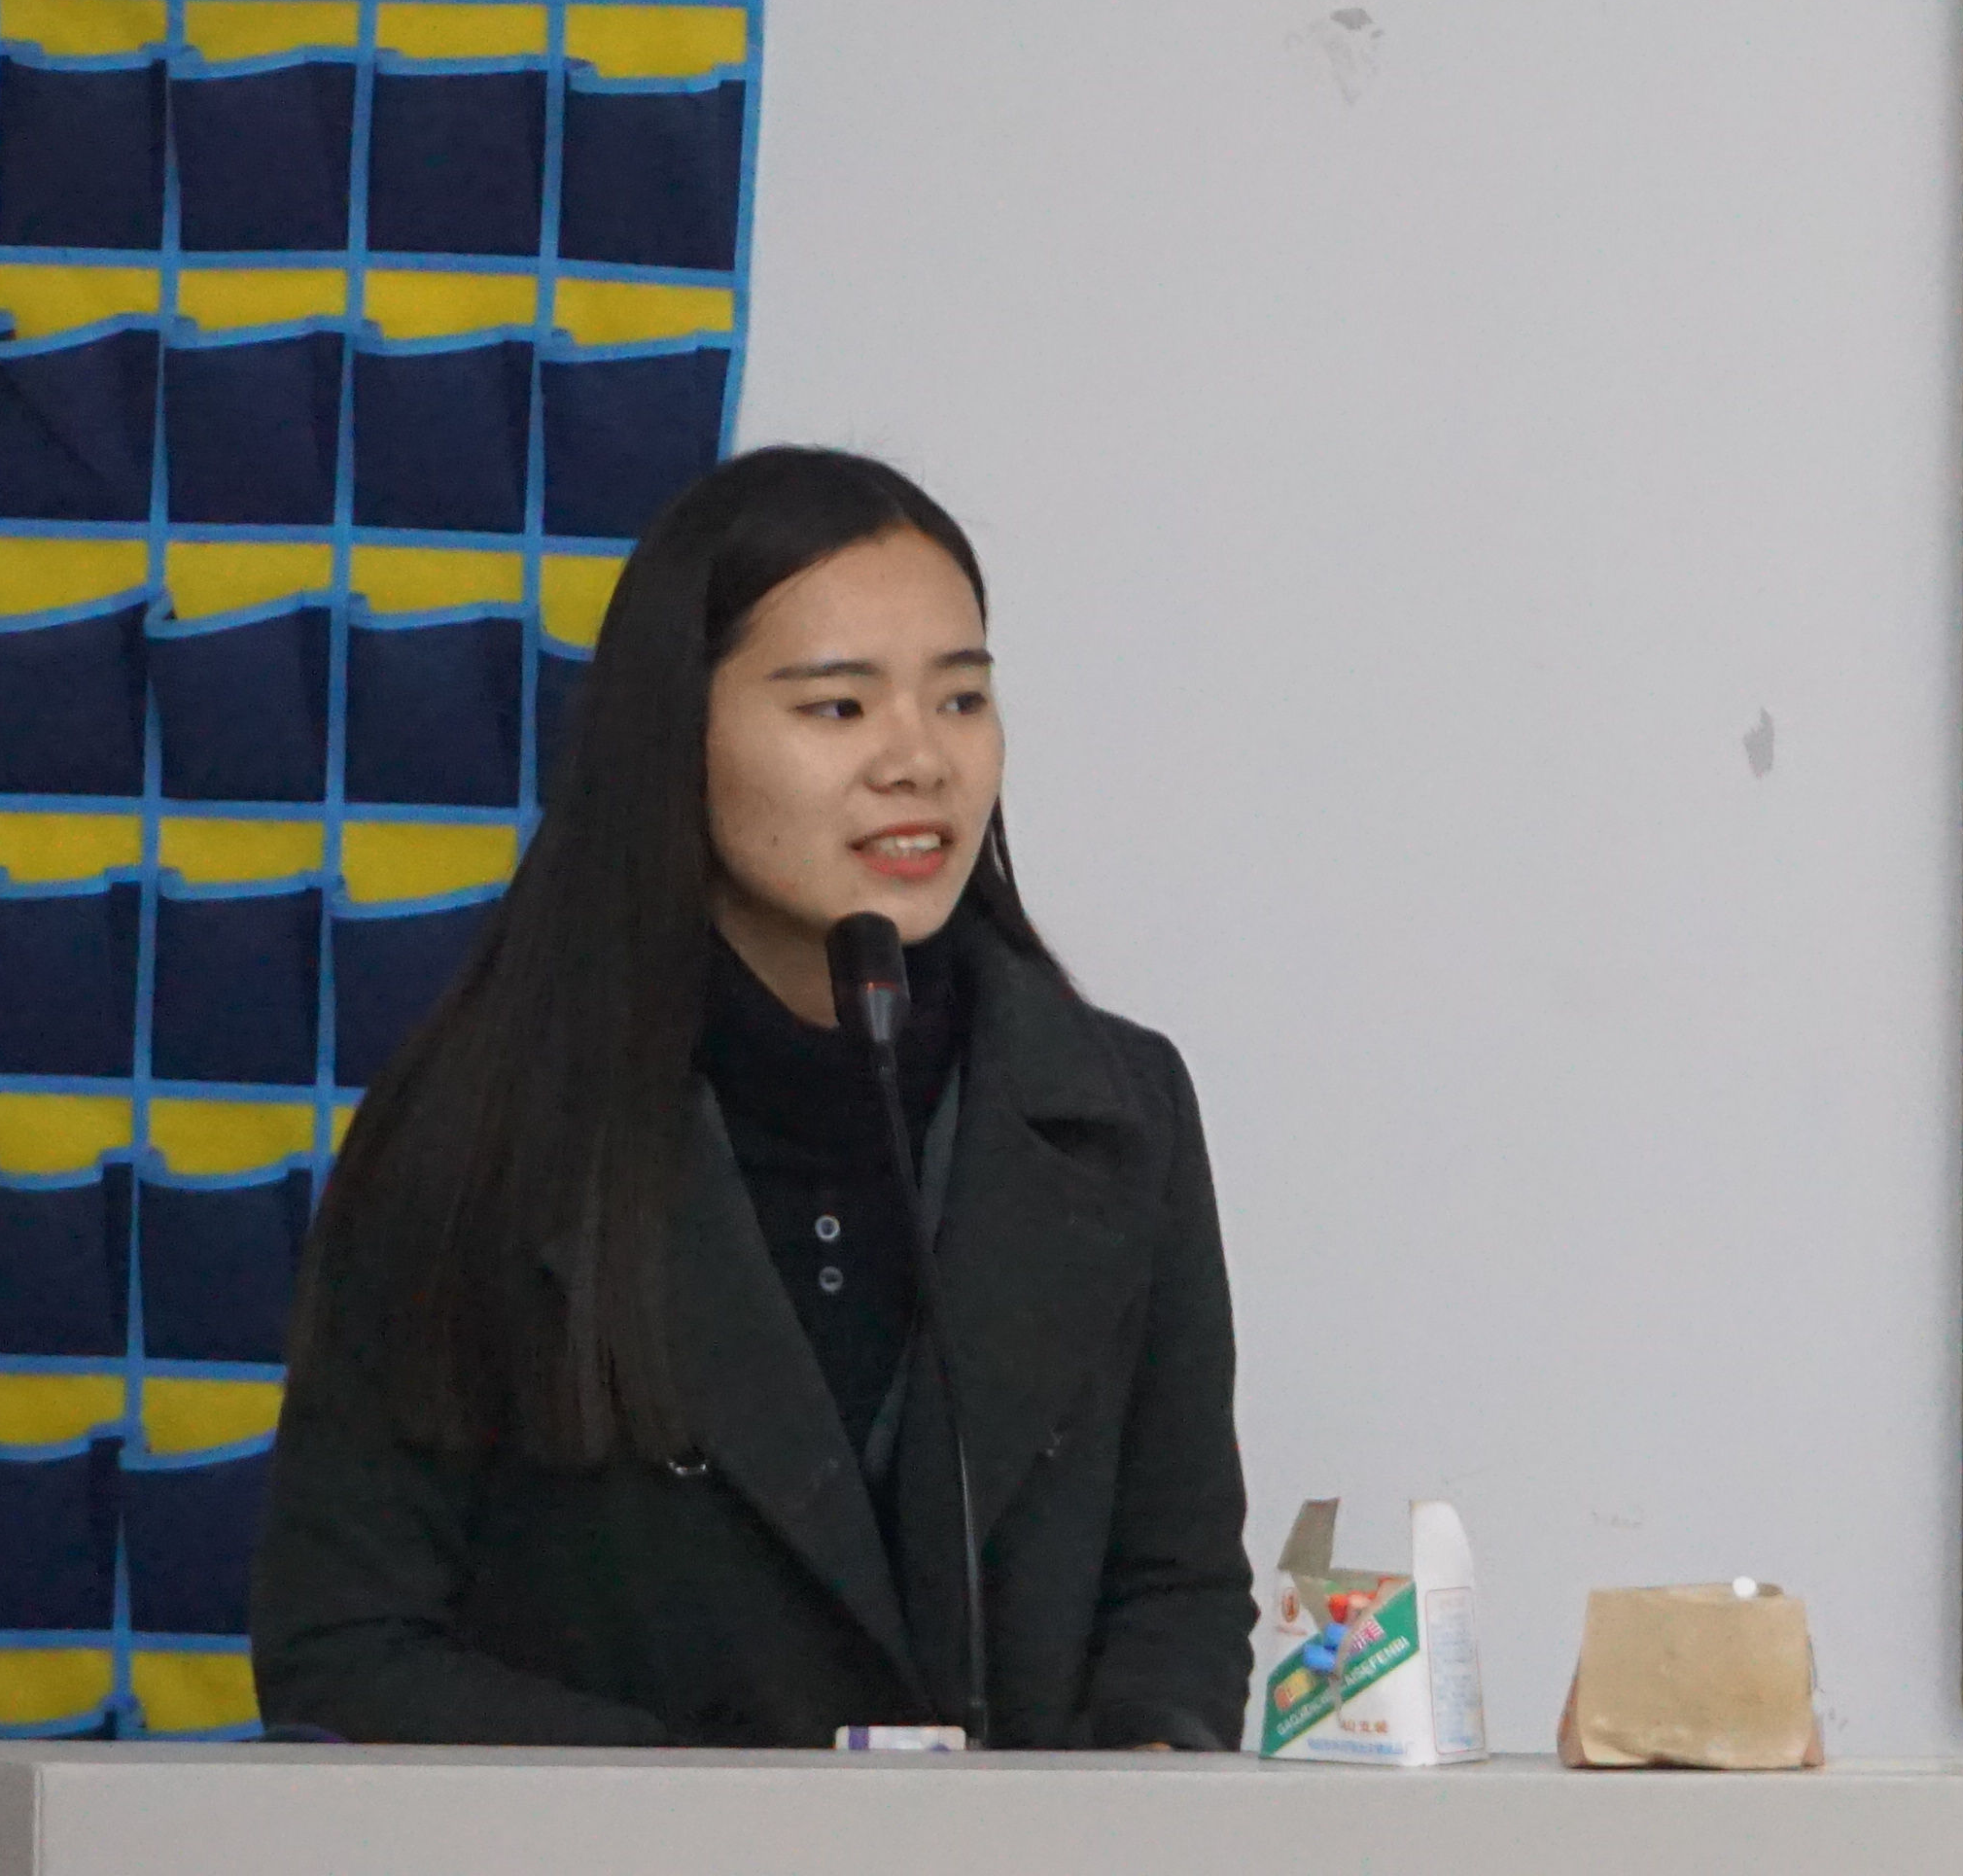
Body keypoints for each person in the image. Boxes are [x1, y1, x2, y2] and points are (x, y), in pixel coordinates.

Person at [250, 446, 1255, 1747]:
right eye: (838, 708)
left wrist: (1137, 1775)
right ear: (678, 738)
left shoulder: (1117, 1113)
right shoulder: (483, 1128)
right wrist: (721, 1818)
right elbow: (348, 1647)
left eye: (961, 699)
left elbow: (1177, 1591)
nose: (919, 761)